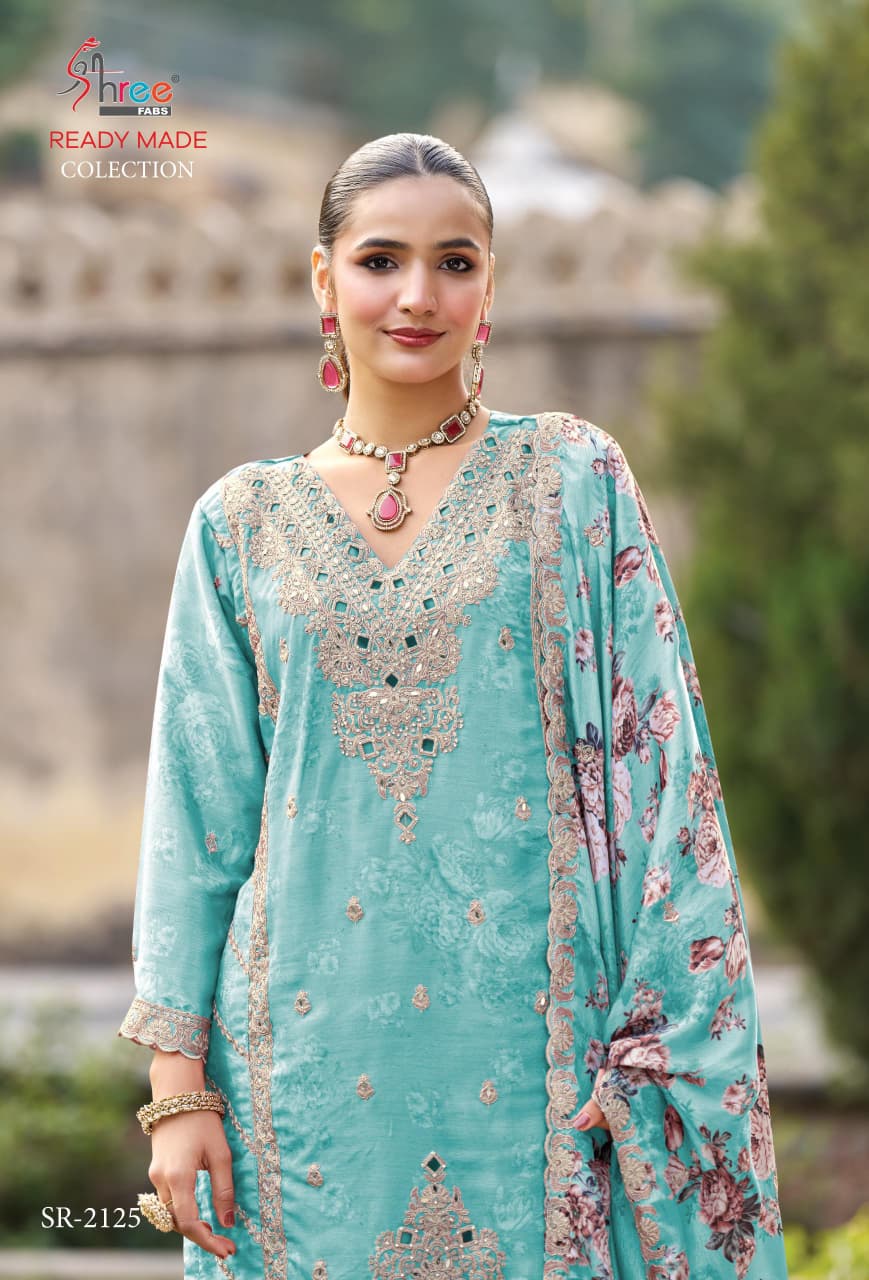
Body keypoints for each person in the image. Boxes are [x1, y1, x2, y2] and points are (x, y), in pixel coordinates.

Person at [117, 132, 789, 1280]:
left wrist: (652, 1046)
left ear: (490, 283)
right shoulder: (239, 524)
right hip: (298, 1086)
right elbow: (197, 822)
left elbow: (662, 779)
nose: (418, 296)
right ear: (322, 278)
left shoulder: (572, 480)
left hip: (539, 1079)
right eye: (380, 260)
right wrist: (178, 1092)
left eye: (455, 262)